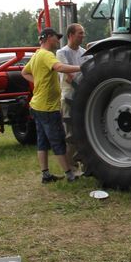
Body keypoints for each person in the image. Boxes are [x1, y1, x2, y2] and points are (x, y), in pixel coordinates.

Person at [22, 28, 82, 183]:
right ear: (48, 37)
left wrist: (38, 82)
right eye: (56, 37)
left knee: (42, 141)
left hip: (36, 105)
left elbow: (24, 72)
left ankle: (46, 174)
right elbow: (60, 68)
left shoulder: (36, 54)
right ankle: (69, 174)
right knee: (58, 140)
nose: (58, 40)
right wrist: (81, 68)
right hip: (47, 108)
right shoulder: (47, 55)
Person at [56, 24, 87, 166]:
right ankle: (69, 165)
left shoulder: (85, 52)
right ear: (70, 35)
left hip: (83, 95)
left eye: (83, 33)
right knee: (70, 133)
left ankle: (80, 161)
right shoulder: (62, 53)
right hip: (69, 96)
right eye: (80, 33)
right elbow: (69, 76)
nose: (83, 36)